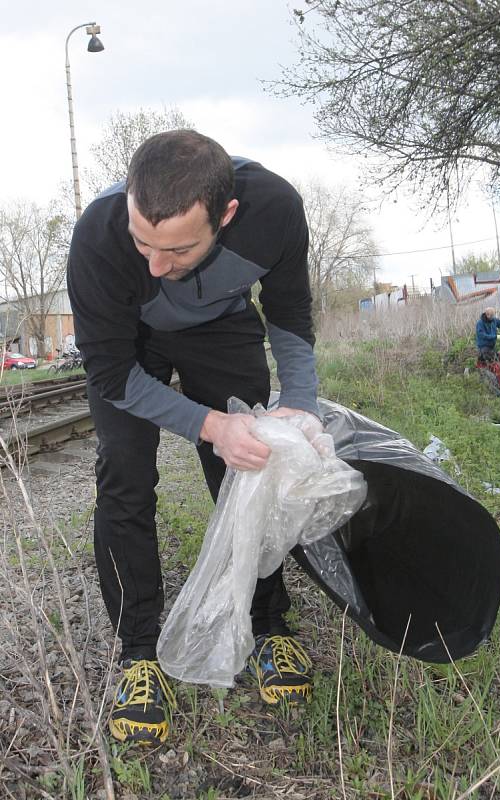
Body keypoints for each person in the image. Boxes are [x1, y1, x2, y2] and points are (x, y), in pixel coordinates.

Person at [67, 130, 321, 746]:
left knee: (248, 469)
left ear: (225, 216)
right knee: (125, 477)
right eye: (142, 242)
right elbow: (109, 372)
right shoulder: (99, 237)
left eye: (177, 250)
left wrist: (299, 408)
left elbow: (288, 314)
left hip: (222, 327)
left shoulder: (274, 210)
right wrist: (212, 425)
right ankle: (138, 654)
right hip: (131, 344)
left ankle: (270, 627)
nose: (156, 264)